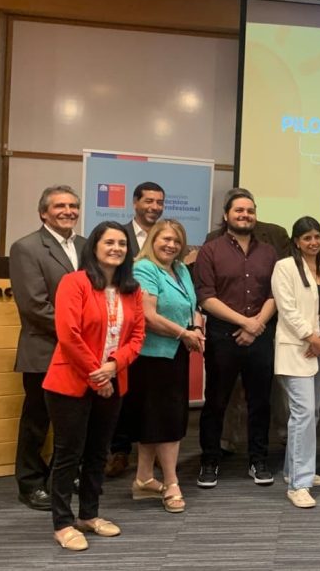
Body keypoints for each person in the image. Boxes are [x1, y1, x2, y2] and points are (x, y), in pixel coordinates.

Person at [42, 221, 144, 551]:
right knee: (68, 453)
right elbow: (68, 335)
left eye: (122, 243)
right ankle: (62, 523)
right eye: (109, 242)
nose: (116, 248)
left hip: (113, 381)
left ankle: (89, 514)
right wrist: (97, 376)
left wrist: (114, 366)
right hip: (70, 382)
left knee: (98, 452)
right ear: (95, 247)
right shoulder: (74, 282)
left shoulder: (132, 289)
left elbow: (137, 336)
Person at [193, 188, 278, 488]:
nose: (245, 215)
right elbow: (206, 296)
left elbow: (275, 294)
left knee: (260, 403)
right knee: (216, 402)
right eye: (239, 210)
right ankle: (210, 461)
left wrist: (257, 325)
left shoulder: (268, 252)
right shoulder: (210, 250)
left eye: (250, 211)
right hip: (222, 337)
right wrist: (246, 323)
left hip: (261, 336)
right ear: (226, 215)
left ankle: (258, 460)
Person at [9, 185, 85, 511]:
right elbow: (34, 307)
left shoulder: (85, 245)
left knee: (71, 421)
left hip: (80, 352)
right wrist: (79, 333)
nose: (68, 211)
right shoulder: (26, 248)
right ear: (43, 212)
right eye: (59, 206)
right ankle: (29, 484)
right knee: (37, 421)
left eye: (73, 206)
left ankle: (59, 478)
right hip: (45, 349)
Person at [128, 219, 203, 513]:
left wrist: (196, 328)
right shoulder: (144, 268)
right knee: (167, 422)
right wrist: (184, 333)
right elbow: (147, 316)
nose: (171, 245)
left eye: (176, 241)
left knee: (156, 420)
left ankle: (144, 479)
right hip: (152, 357)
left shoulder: (181, 269)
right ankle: (171, 483)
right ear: (153, 240)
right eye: (166, 239)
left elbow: (192, 306)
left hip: (175, 354)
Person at [272, 217, 320, 509]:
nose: (313, 242)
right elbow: (286, 308)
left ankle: (293, 470)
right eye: (307, 238)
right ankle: (299, 484)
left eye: (317, 237)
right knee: (302, 414)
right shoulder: (284, 267)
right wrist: (311, 337)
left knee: (311, 413)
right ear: (297, 242)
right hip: (297, 348)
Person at [107, 180, 166, 478]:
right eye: (149, 201)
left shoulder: (166, 237)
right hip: (121, 326)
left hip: (157, 330)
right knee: (122, 391)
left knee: (151, 395)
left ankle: (150, 451)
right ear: (135, 202)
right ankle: (119, 450)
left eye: (159, 202)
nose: (154, 207)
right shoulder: (119, 236)